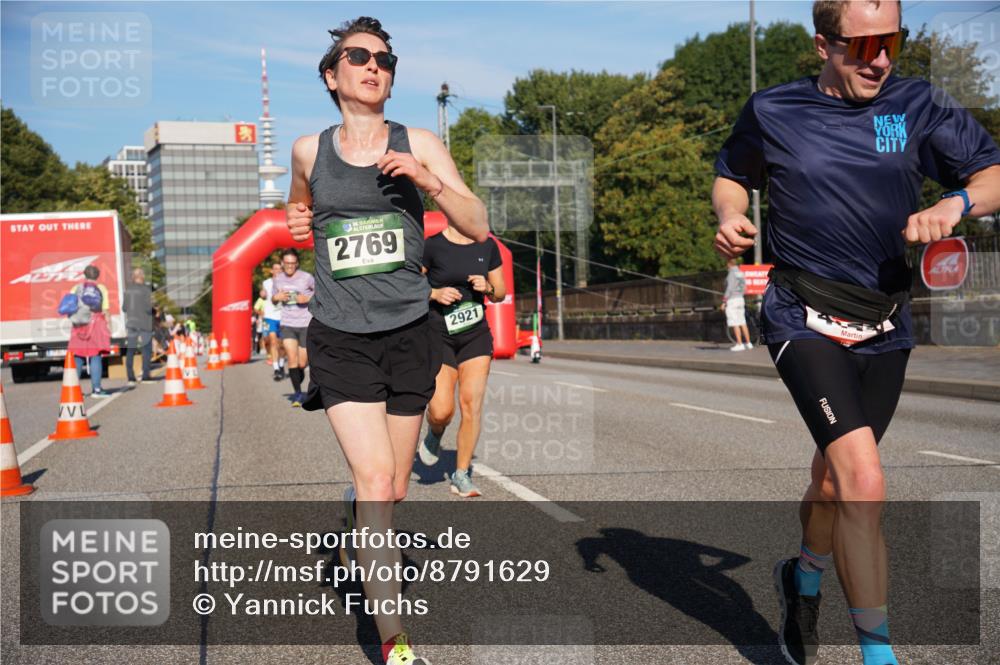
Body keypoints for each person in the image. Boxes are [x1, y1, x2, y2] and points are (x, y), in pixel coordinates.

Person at [712, 2, 1000, 664]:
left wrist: (955, 201)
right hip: (801, 312)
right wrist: (729, 216)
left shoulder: (916, 104)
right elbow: (733, 173)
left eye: (892, 40)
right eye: (864, 43)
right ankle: (880, 655)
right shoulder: (773, 109)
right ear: (823, 45)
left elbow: (991, 173)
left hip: (886, 323)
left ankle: (802, 575)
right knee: (864, 480)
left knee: (835, 479)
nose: (880, 57)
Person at [286, 16, 488, 665]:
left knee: (393, 487)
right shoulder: (309, 151)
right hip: (340, 336)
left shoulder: (420, 141)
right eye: (359, 56)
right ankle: (395, 643)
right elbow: (297, 210)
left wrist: (429, 182)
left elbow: (478, 223)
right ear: (332, 74)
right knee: (374, 477)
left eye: (385, 59)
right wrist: (296, 220)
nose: (375, 66)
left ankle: (355, 522)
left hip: (409, 332)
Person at [419, 224, 505, 497]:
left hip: (475, 335)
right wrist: (434, 293)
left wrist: (488, 286)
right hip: (438, 334)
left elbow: (500, 292)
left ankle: (461, 473)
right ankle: (435, 431)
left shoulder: (487, 245)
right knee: (442, 410)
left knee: (471, 405)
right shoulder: (431, 245)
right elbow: (410, 283)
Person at [271, 248, 314, 406]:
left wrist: (307, 298)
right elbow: (273, 299)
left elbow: (319, 295)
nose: (290, 266)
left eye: (293, 263)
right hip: (287, 323)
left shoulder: (307, 278)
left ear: (297, 263)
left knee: (302, 363)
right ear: (282, 263)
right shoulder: (278, 279)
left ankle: (298, 376)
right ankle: (297, 394)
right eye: (287, 263)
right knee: (292, 359)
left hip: (305, 323)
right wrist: (277, 297)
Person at [66, 264, 112, 397]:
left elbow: (70, 307)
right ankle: (97, 390)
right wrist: (108, 325)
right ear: (97, 276)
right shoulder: (101, 288)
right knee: (95, 355)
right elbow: (105, 310)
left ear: (84, 275)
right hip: (96, 323)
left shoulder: (75, 288)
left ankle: (72, 390)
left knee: (78, 356)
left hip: (79, 324)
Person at [123, 267, 154, 384]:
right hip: (144, 323)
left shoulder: (128, 290)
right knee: (146, 349)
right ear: (142, 277)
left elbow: (124, 308)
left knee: (130, 349)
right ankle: (145, 376)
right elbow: (148, 308)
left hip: (131, 323)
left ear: (133, 277)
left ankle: (130, 377)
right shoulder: (146, 290)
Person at [261, 261, 286, 380]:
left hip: (284, 316)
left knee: (282, 345)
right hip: (270, 316)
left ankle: (281, 365)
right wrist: (262, 294)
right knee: (273, 341)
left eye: (280, 269)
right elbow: (263, 294)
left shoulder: (287, 282)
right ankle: (276, 368)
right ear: (272, 271)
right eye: (275, 269)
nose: (278, 271)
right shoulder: (266, 283)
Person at [723, 258, 752, 351]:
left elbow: (730, 288)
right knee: (742, 321)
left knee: (734, 322)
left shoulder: (731, 273)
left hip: (732, 300)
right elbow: (745, 287)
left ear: (729, 264)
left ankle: (739, 344)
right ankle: (748, 343)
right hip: (740, 298)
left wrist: (724, 301)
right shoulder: (740, 272)